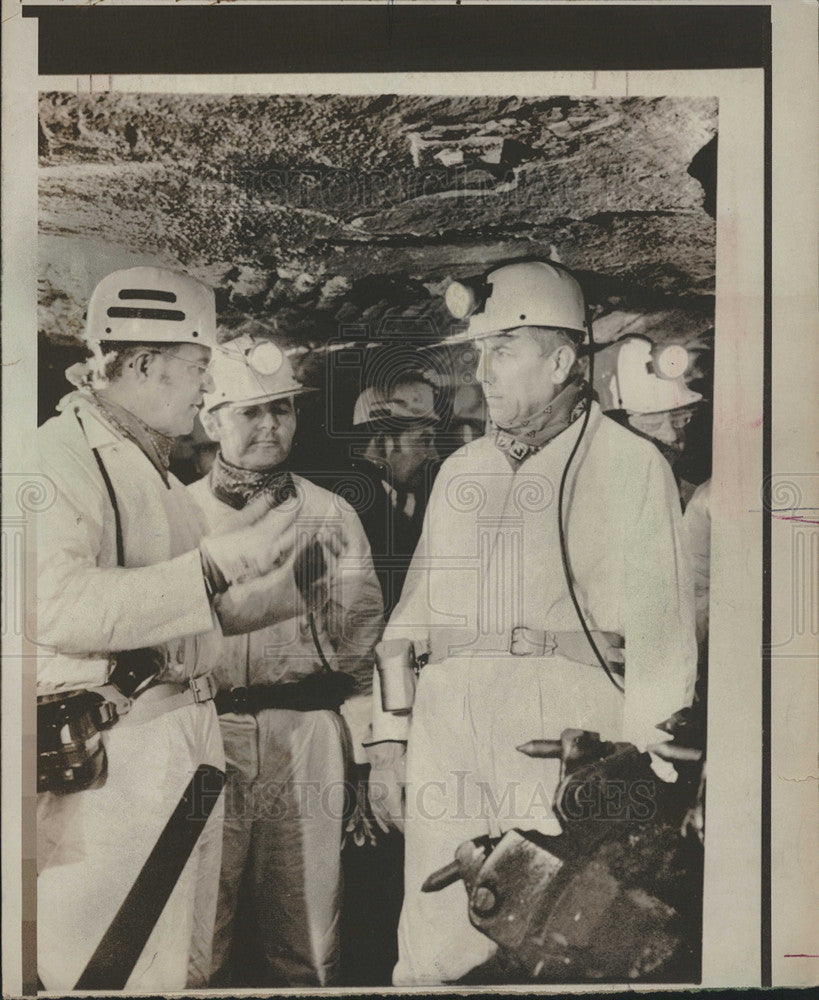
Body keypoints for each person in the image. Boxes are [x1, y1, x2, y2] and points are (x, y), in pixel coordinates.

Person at [366, 259, 698, 985]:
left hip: (560, 729)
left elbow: (662, 637)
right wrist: (388, 742)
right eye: (479, 352)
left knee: (550, 932)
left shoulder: (628, 465)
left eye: (503, 351)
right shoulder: (461, 472)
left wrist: (642, 776)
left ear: (560, 361)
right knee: (431, 941)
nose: (483, 370)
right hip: (448, 723)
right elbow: (409, 619)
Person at [35, 268, 302, 992]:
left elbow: (176, 620)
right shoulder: (54, 457)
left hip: (184, 741)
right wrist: (214, 568)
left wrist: (268, 592)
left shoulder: (151, 466)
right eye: (196, 369)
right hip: (118, 758)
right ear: (146, 363)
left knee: (184, 960)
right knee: (114, 966)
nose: (204, 390)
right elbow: (51, 606)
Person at [188, 336, 384, 987]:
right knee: (193, 934)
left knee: (305, 936)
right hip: (201, 736)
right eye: (251, 411)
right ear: (211, 418)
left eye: (283, 409)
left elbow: (361, 652)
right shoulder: (172, 513)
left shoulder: (331, 514)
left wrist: (364, 762)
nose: (271, 425)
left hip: (304, 737)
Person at [350, 377, 441, 617]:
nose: (433, 454)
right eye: (424, 440)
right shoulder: (345, 509)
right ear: (384, 442)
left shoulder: (415, 499)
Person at [598, 334, 704, 507]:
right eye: (652, 423)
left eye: (680, 419)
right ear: (612, 427)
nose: (671, 436)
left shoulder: (699, 505)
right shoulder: (590, 507)